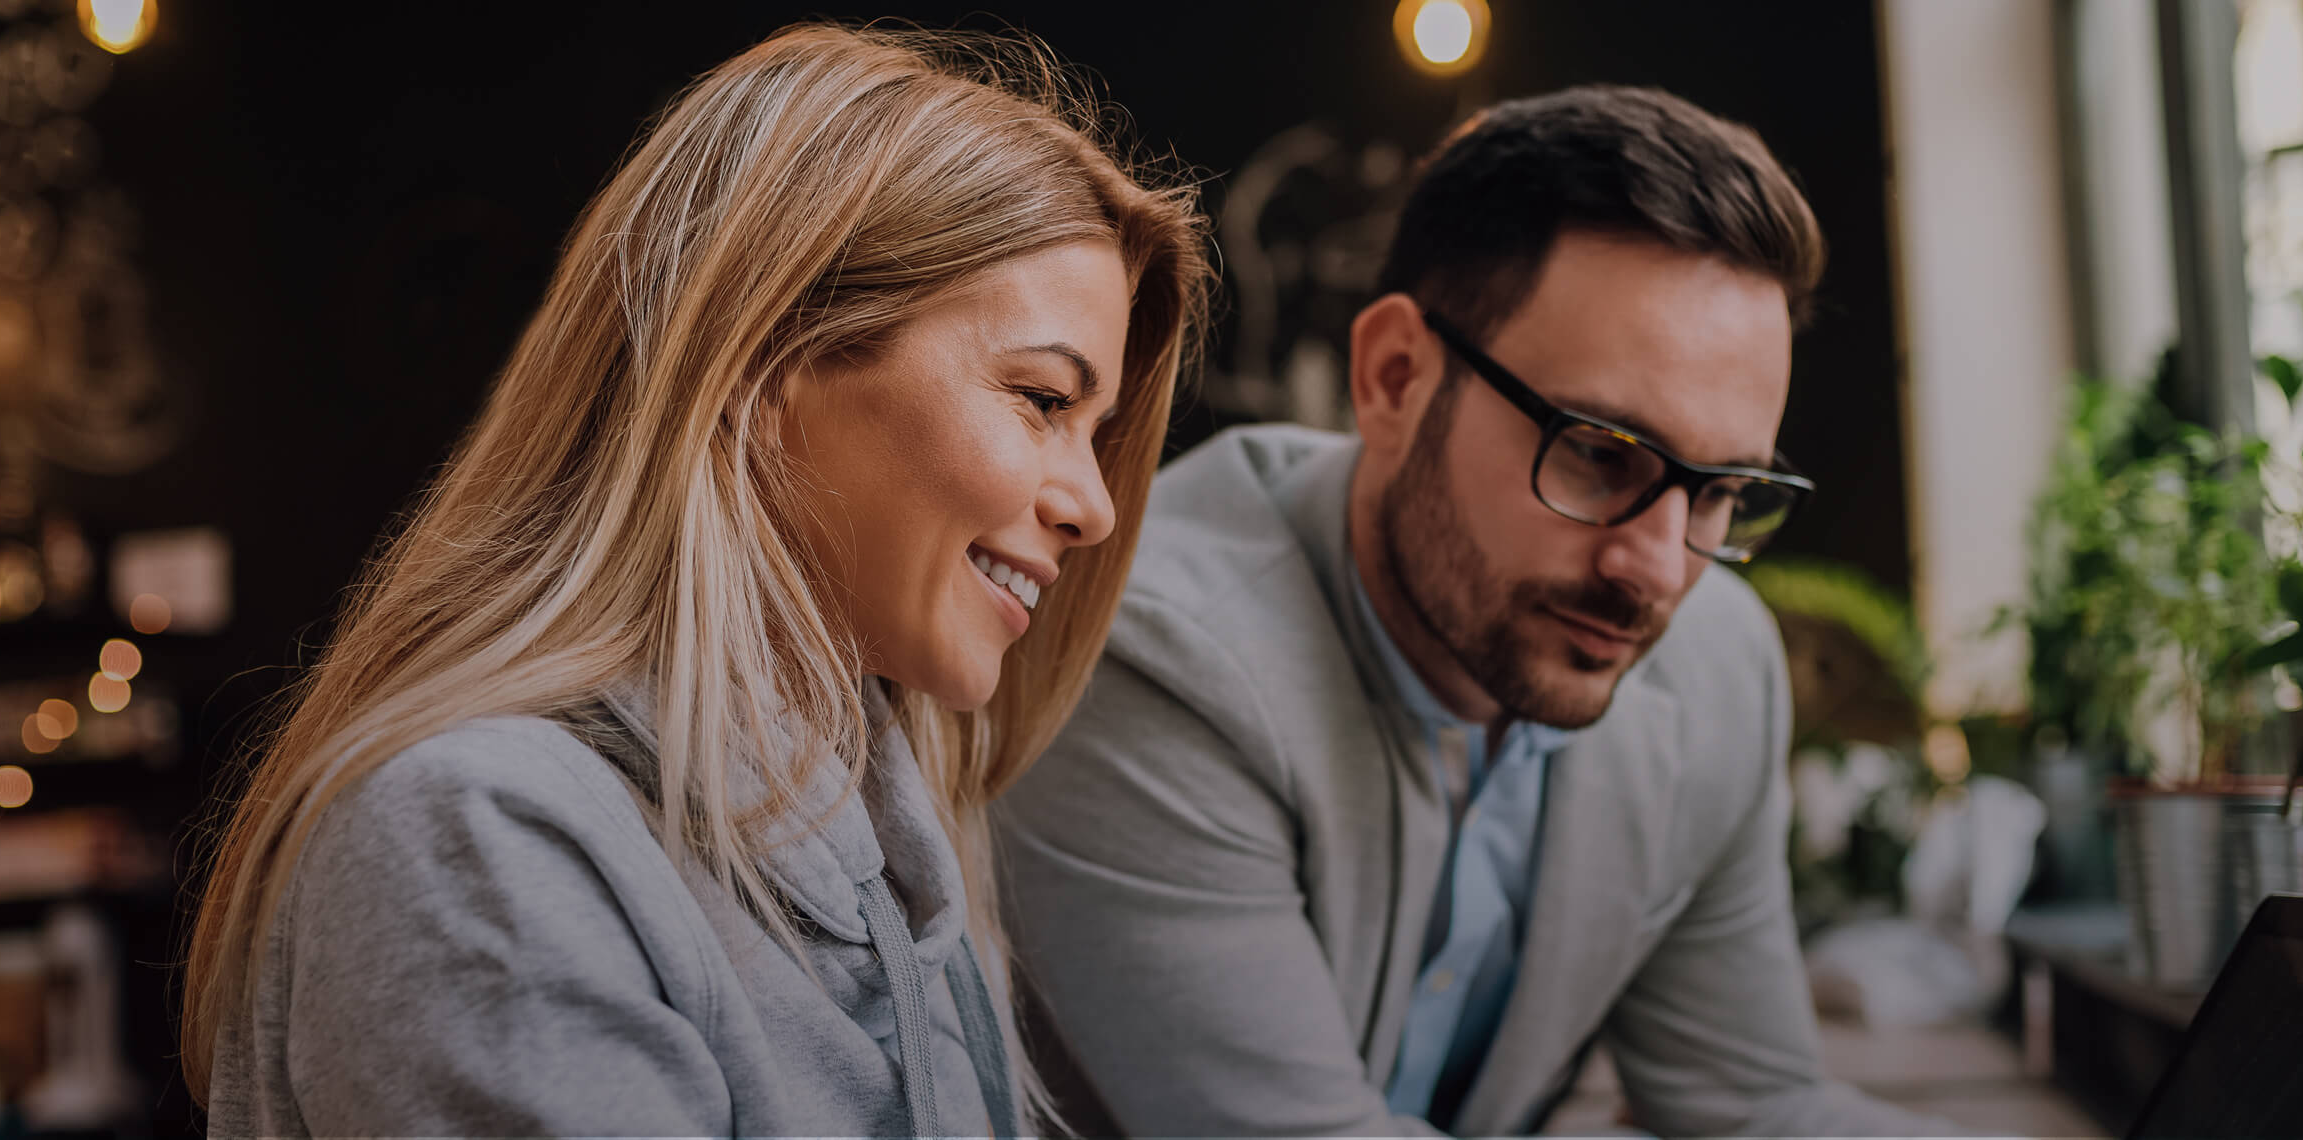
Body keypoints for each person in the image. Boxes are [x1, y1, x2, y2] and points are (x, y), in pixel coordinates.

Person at [180, 24, 1209, 1137]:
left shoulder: (900, 851)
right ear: (766, 361)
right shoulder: (480, 837)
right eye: (1045, 401)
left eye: (1096, 434)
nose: (1094, 507)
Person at [997, 85, 1945, 1137]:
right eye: (1597, 454)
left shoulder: (1717, 665)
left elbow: (1752, 1109)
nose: (1661, 569)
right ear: (1395, 377)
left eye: (1720, 491)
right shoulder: (1150, 653)